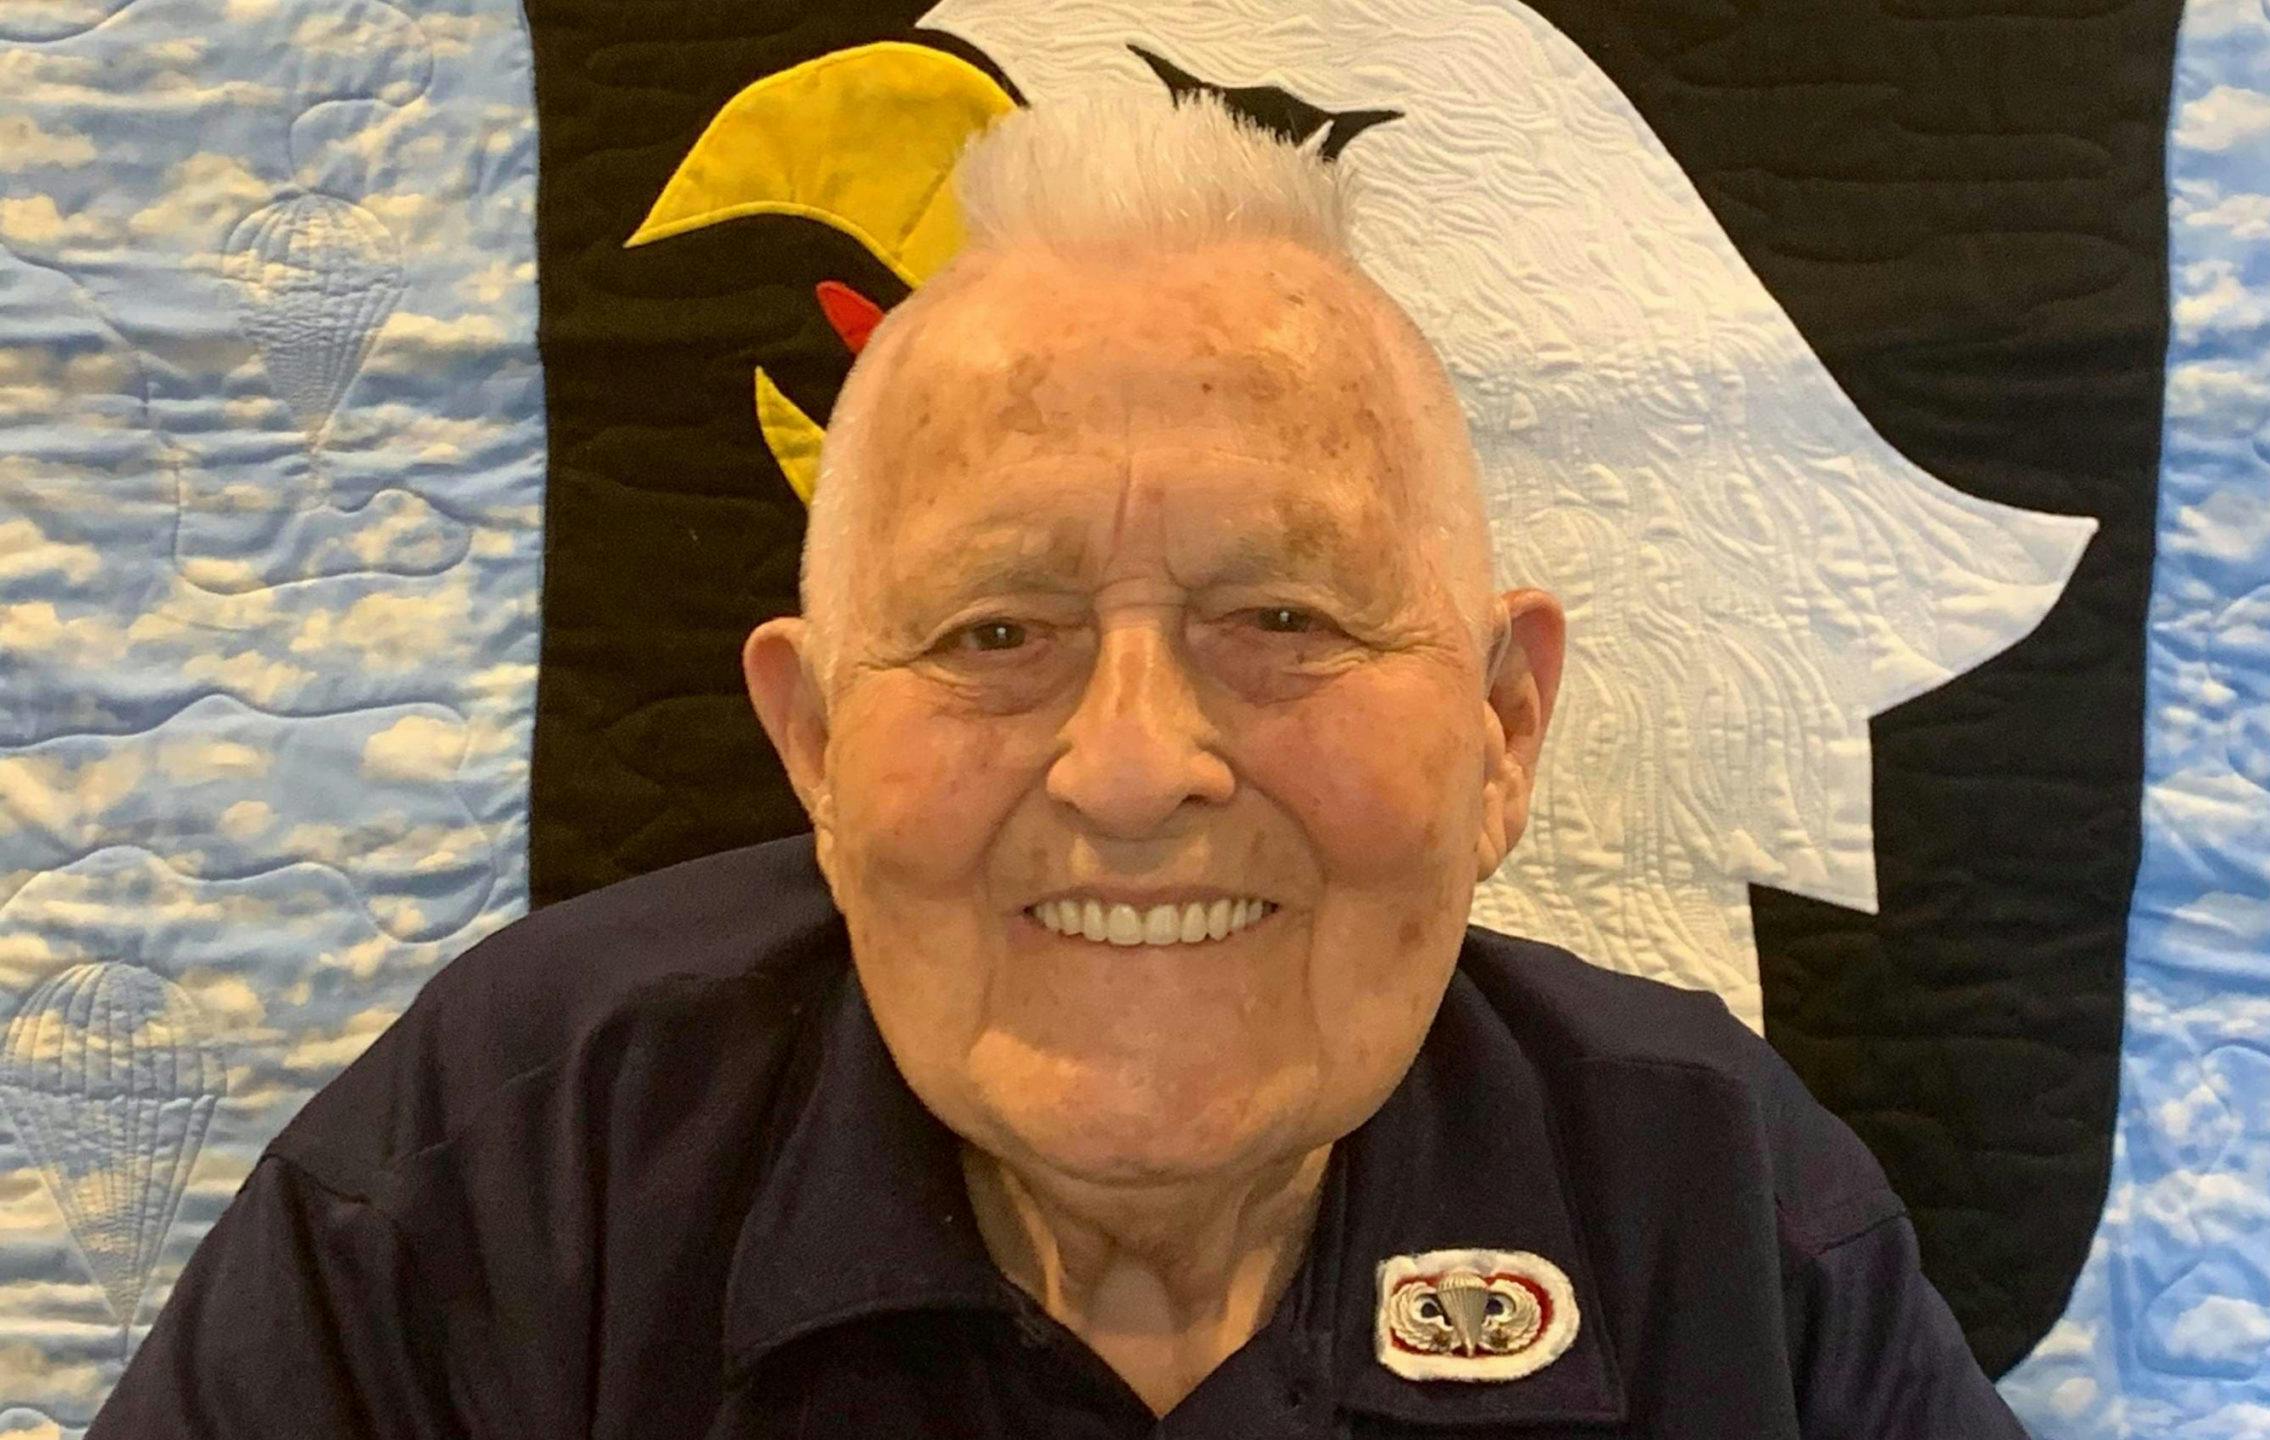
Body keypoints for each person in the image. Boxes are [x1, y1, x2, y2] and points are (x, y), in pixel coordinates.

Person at [94, 92, 2027, 1438]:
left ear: (1503, 726)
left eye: (1283, 615)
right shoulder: (513, 1176)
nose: (1129, 767)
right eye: (994, 636)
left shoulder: (1722, 1213)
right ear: (816, 743)